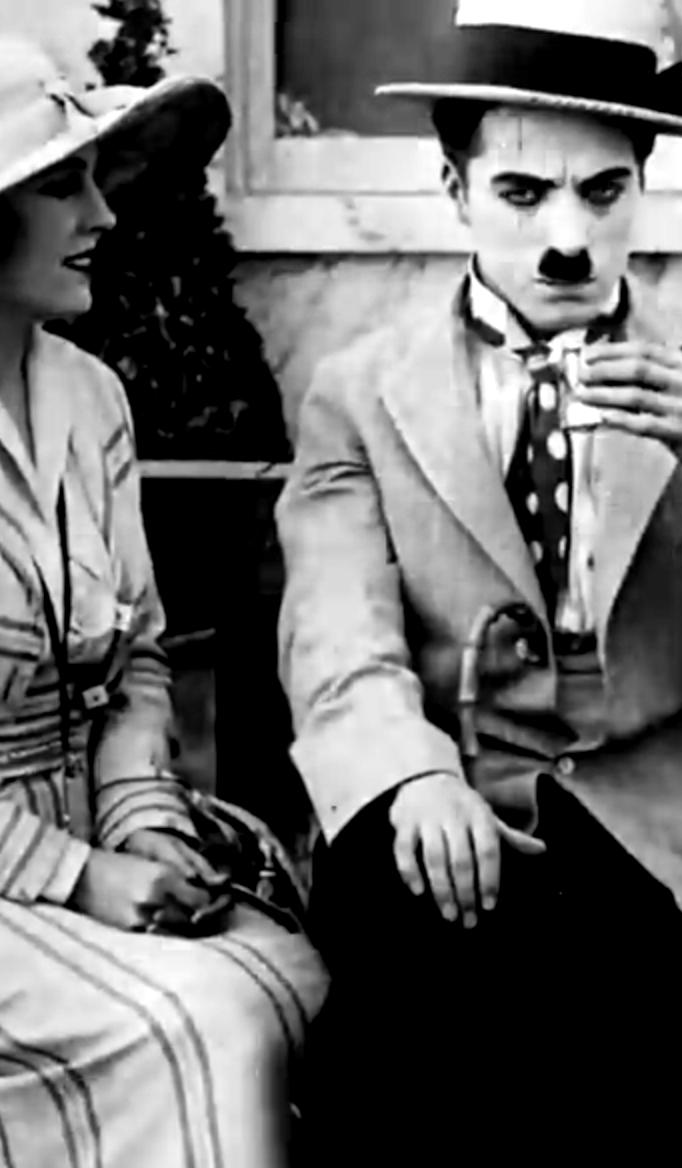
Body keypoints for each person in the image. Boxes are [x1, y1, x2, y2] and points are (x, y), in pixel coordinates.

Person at [277, 0, 682, 1160]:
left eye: (601, 193)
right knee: (418, 1006)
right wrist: (406, 773)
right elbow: (337, 638)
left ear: (641, 188)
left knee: (603, 1013)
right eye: (520, 193)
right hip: (437, 803)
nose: (567, 240)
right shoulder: (360, 391)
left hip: (652, 824)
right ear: (453, 190)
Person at [0, 37, 326, 1168]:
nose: (102, 215)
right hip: (23, 872)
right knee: (209, 1017)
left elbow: (136, 653)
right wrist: (74, 876)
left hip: (91, 835)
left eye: (98, 179)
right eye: (61, 184)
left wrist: (141, 824)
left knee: (291, 969)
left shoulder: (87, 396)